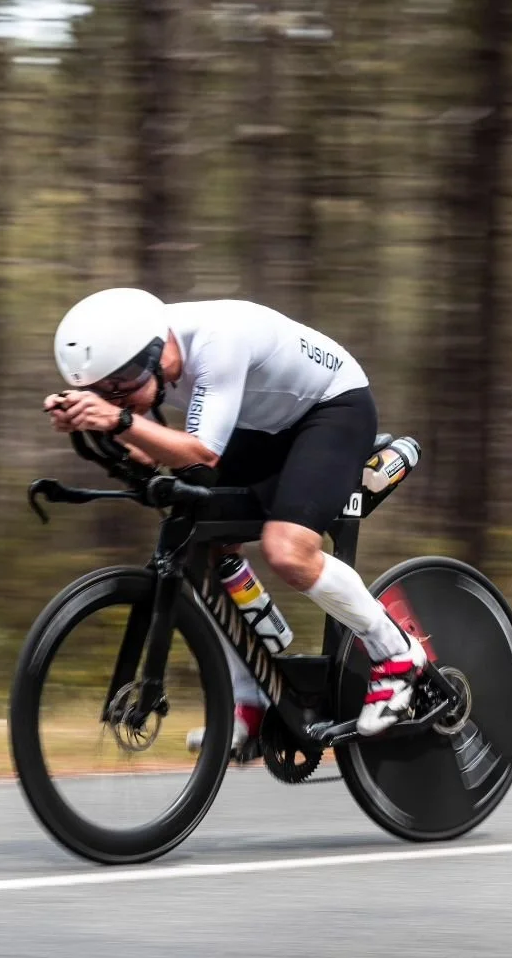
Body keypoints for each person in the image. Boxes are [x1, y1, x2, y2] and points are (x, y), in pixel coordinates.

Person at [43, 287, 426, 754]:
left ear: (155, 351)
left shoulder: (216, 342)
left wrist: (117, 422)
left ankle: (398, 653)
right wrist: (92, 423)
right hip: (266, 424)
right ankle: (253, 697)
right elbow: (153, 451)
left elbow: (201, 453)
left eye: (120, 385)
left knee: (287, 550)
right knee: (202, 543)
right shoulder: (152, 359)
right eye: (101, 391)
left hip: (333, 408)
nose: (116, 398)